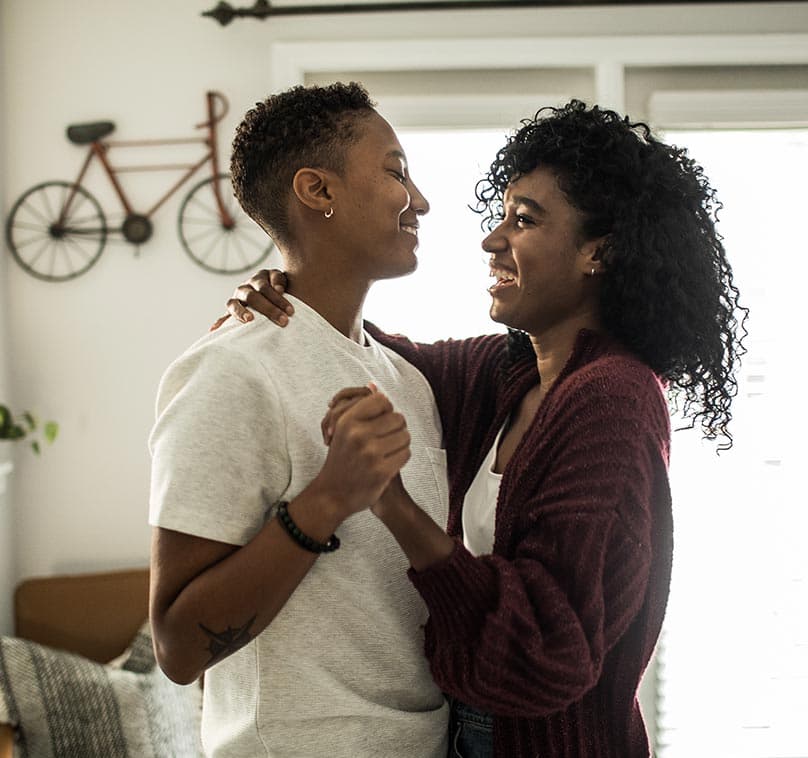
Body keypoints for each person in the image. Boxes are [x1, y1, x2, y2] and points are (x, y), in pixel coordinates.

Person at [220, 99, 747, 758]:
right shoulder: (506, 372)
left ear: (598, 253)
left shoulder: (612, 402)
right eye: (500, 216)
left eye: (523, 221)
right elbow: (372, 349)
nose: (491, 239)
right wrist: (281, 293)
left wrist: (394, 507)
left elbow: (547, 656)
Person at [148, 82, 453, 758]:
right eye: (397, 171)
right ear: (318, 192)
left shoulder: (411, 382)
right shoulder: (231, 371)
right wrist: (325, 502)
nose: (421, 201)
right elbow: (177, 647)